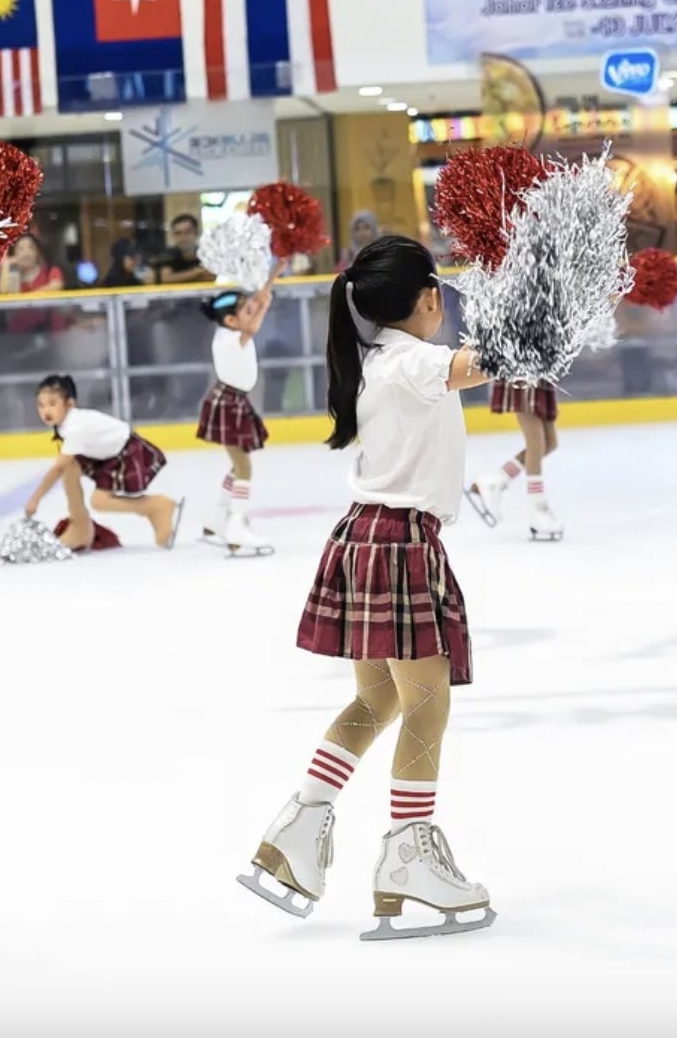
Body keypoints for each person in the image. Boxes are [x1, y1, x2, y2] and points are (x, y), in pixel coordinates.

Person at [237, 235, 497, 941]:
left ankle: (298, 828)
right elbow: (489, 364)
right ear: (428, 300)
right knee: (425, 707)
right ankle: (408, 855)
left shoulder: (382, 358)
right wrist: (532, 309)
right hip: (400, 544)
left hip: (365, 537)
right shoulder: (414, 360)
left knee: (378, 697)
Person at [24, 374, 182, 551]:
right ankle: (80, 526)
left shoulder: (75, 428)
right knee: (70, 466)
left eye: (52, 404)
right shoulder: (68, 424)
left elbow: (57, 469)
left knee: (99, 501)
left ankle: (155, 506)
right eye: (41, 405)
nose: (46, 411)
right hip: (106, 454)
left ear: (69, 404)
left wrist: (35, 499)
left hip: (124, 454)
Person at [197, 284, 275, 555]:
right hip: (229, 403)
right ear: (231, 320)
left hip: (232, 400)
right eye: (246, 309)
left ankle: (217, 520)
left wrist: (260, 300)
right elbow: (251, 329)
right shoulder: (231, 337)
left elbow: (249, 326)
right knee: (243, 466)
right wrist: (263, 304)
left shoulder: (228, 331)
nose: (251, 310)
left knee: (237, 463)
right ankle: (235, 525)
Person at [466, 372, 562, 540]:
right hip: (523, 369)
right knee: (536, 443)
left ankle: (495, 480)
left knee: (549, 442)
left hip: (542, 369)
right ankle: (538, 510)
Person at [154, 214, 215, 284]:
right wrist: (197, 272)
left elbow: (211, 277)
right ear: (173, 235)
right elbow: (166, 279)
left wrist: (178, 277)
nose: (183, 238)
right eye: (178, 233)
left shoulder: (206, 253)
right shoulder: (167, 255)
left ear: (196, 233)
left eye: (188, 232)